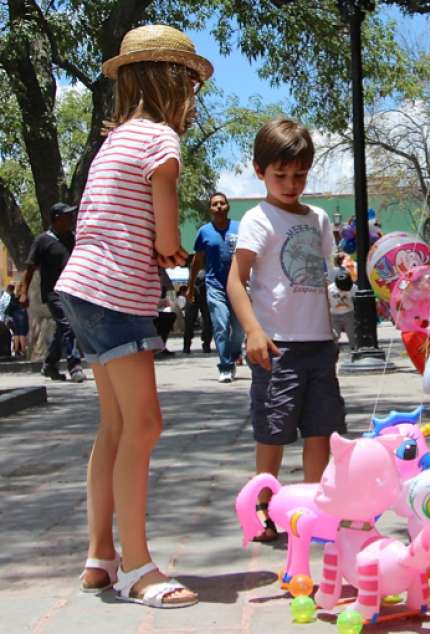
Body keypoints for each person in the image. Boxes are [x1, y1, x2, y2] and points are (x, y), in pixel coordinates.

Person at [52, 24, 210, 608]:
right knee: (144, 427)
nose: (194, 94)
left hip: (82, 287)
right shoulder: (162, 144)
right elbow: (166, 237)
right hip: (117, 291)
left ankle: (100, 556)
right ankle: (140, 567)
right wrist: (172, 249)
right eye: (191, 83)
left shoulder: (114, 140)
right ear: (176, 83)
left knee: (115, 427)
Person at [228, 118, 345, 542]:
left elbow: (324, 274)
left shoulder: (317, 218)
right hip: (277, 346)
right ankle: (265, 508)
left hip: (319, 343)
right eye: (280, 175)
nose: (291, 183)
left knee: (321, 429)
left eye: (299, 174)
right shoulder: (258, 218)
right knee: (273, 430)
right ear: (260, 171)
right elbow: (233, 279)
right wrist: (254, 331)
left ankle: (314, 506)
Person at [19, 203, 84, 382]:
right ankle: (74, 365)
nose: (71, 218)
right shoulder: (42, 240)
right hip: (53, 292)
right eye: (67, 215)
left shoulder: (72, 238)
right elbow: (30, 267)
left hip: (72, 290)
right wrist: (24, 292)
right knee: (68, 325)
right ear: (56, 219)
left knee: (63, 329)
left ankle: (49, 365)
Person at [188, 192, 243, 382]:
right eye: (214, 204)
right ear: (210, 209)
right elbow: (197, 261)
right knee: (221, 324)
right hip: (215, 286)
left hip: (238, 286)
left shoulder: (240, 228)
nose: (218, 206)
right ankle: (225, 366)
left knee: (238, 329)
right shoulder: (204, 232)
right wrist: (190, 285)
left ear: (228, 206)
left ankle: (235, 354)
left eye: (222, 203)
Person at [182, 268, 212, 354]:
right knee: (189, 320)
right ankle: (186, 345)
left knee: (208, 320)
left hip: (206, 288)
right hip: (193, 287)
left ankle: (206, 344)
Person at [328, 268, 357, 350]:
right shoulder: (330, 289)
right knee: (334, 336)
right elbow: (327, 301)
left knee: (352, 335)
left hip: (349, 314)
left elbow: (357, 300)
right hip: (334, 315)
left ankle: (354, 350)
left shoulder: (353, 288)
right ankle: (333, 352)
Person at [153, 269, 177, 357]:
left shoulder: (163, 288)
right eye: (159, 275)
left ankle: (161, 346)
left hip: (157, 312)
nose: (161, 278)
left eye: (161, 275)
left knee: (170, 317)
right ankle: (157, 347)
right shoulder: (150, 286)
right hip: (146, 313)